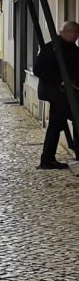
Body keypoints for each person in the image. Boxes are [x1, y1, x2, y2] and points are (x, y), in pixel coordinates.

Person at [34, 21, 79, 170]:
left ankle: (48, 159)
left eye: (77, 33)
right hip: (56, 93)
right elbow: (38, 69)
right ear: (64, 32)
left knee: (57, 124)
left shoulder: (71, 48)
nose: (76, 35)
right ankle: (47, 159)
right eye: (73, 32)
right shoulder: (52, 48)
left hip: (64, 93)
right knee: (59, 122)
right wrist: (61, 82)